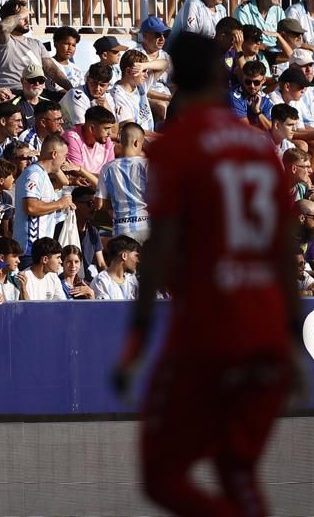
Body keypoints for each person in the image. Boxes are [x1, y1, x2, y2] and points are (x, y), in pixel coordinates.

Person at [113, 31, 298, 517]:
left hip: (210, 330)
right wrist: (293, 333)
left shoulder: (175, 146)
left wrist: (137, 336)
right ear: (221, 74)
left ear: (174, 76)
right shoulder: (260, 147)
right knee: (236, 468)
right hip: (267, 330)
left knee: (161, 476)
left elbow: (160, 250)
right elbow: (285, 249)